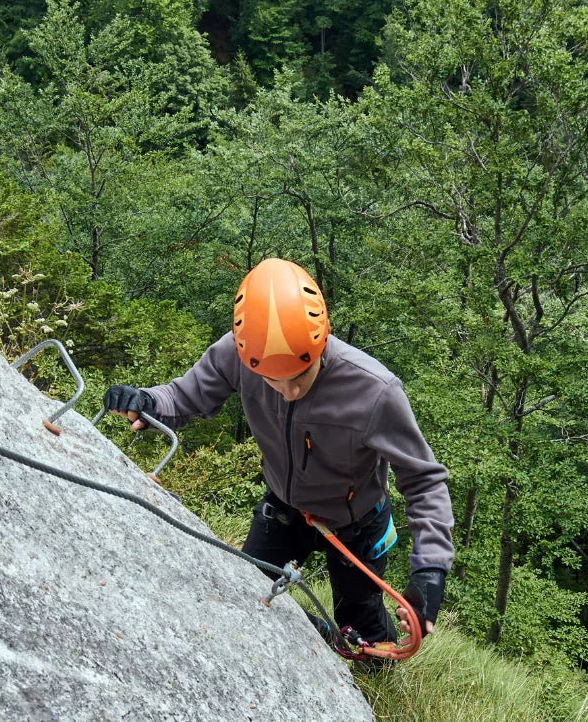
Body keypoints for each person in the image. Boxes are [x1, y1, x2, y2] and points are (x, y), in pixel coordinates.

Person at [103, 257, 454, 653]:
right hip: (284, 511)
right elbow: (185, 396)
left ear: (322, 341)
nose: (288, 392)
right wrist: (147, 401)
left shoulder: (374, 391)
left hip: (357, 527)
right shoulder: (238, 354)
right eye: (273, 380)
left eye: (300, 377)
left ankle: (374, 666)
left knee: (362, 624)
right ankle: (313, 633)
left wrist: (430, 569)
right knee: (245, 595)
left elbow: (424, 481)